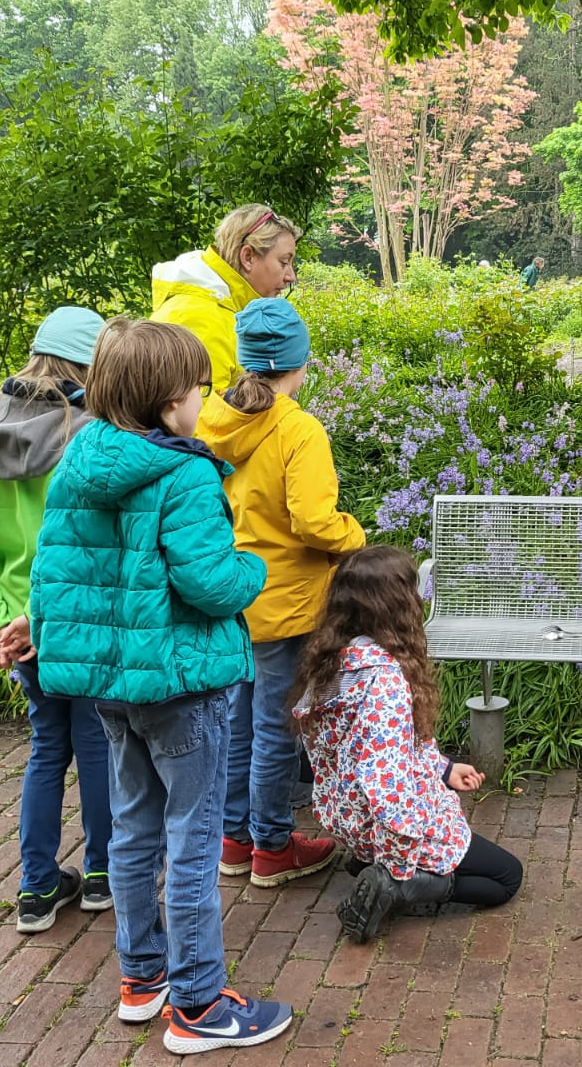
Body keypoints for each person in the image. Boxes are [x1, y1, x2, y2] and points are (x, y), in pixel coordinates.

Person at [29, 318, 292, 1054]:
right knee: (194, 838)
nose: (203, 398)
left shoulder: (78, 459)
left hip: (112, 690)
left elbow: (50, 580)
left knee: (135, 831)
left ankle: (142, 980)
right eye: (196, 386)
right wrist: (255, 570)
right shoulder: (182, 472)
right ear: (163, 397)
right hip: (182, 687)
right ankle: (200, 1005)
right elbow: (211, 584)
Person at [0, 306, 112, 934]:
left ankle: (37, 888)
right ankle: (100, 874)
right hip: (79, 620)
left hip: (18, 630)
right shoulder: (89, 430)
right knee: (95, 745)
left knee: (45, 748)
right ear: (90, 364)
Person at [197, 298, 365, 888]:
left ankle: (235, 840)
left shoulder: (212, 421)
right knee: (274, 725)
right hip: (288, 599)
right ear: (300, 360)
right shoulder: (298, 429)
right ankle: (272, 845)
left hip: (228, 594)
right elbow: (314, 522)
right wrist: (357, 537)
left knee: (236, 722)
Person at [291, 545, 523, 943]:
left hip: (345, 814)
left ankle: (368, 861)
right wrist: (401, 860)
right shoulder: (385, 682)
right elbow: (388, 788)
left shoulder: (334, 660)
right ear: (397, 604)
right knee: (505, 877)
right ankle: (396, 886)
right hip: (387, 825)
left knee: (442, 846)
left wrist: (444, 769)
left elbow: (368, 753)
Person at [151, 203, 300, 393]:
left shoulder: (222, 304)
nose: (291, 276)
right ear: (248, 257)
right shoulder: (202, 317)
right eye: (284, 262)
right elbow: (203, 418)